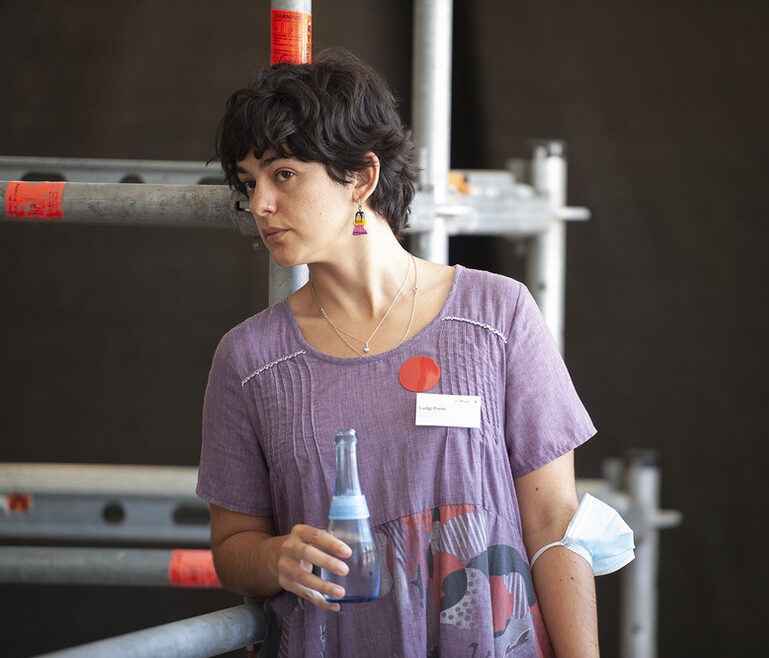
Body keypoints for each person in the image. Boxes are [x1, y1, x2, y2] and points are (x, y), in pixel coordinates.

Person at [197, 47, 599, 657]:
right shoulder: (248, 359)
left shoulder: (499, 314)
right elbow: (232, 549)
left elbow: (553, 524)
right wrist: (276, 557)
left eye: (283, 175)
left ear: (360, 176)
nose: (259, 206)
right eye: (249, 183)